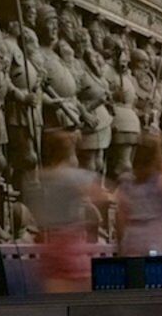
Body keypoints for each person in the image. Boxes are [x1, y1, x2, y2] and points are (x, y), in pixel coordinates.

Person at [19, 126, 111, 297]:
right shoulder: (75, 176)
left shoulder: (41, 178)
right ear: (71, 152)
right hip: (72, 244)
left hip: (49, 247)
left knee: (57, 304)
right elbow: (103, 196)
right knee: (80, 303)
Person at [117, 137, 162, 274]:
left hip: (133, 236)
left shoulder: (126, 182)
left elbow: (121, 217)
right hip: (158, 236)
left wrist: (121, 244)